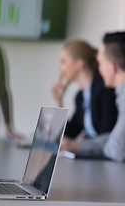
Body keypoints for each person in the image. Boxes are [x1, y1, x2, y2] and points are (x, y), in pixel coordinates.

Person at [61, 31, 125, 162]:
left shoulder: (114, 93)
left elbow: (116, 150)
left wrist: (80, 145)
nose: (99, 69)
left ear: (112, 67)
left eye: (101, 63)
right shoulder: (119, 94)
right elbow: (114, 139)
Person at [51, 40, 117, 139]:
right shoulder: (81, 96)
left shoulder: (105, 89)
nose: (60, 68)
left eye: (63, 62)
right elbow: (70, 133)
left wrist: (79, 145)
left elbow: (107, 136)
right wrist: (58, 101)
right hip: (93, 153)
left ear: (79, 63)